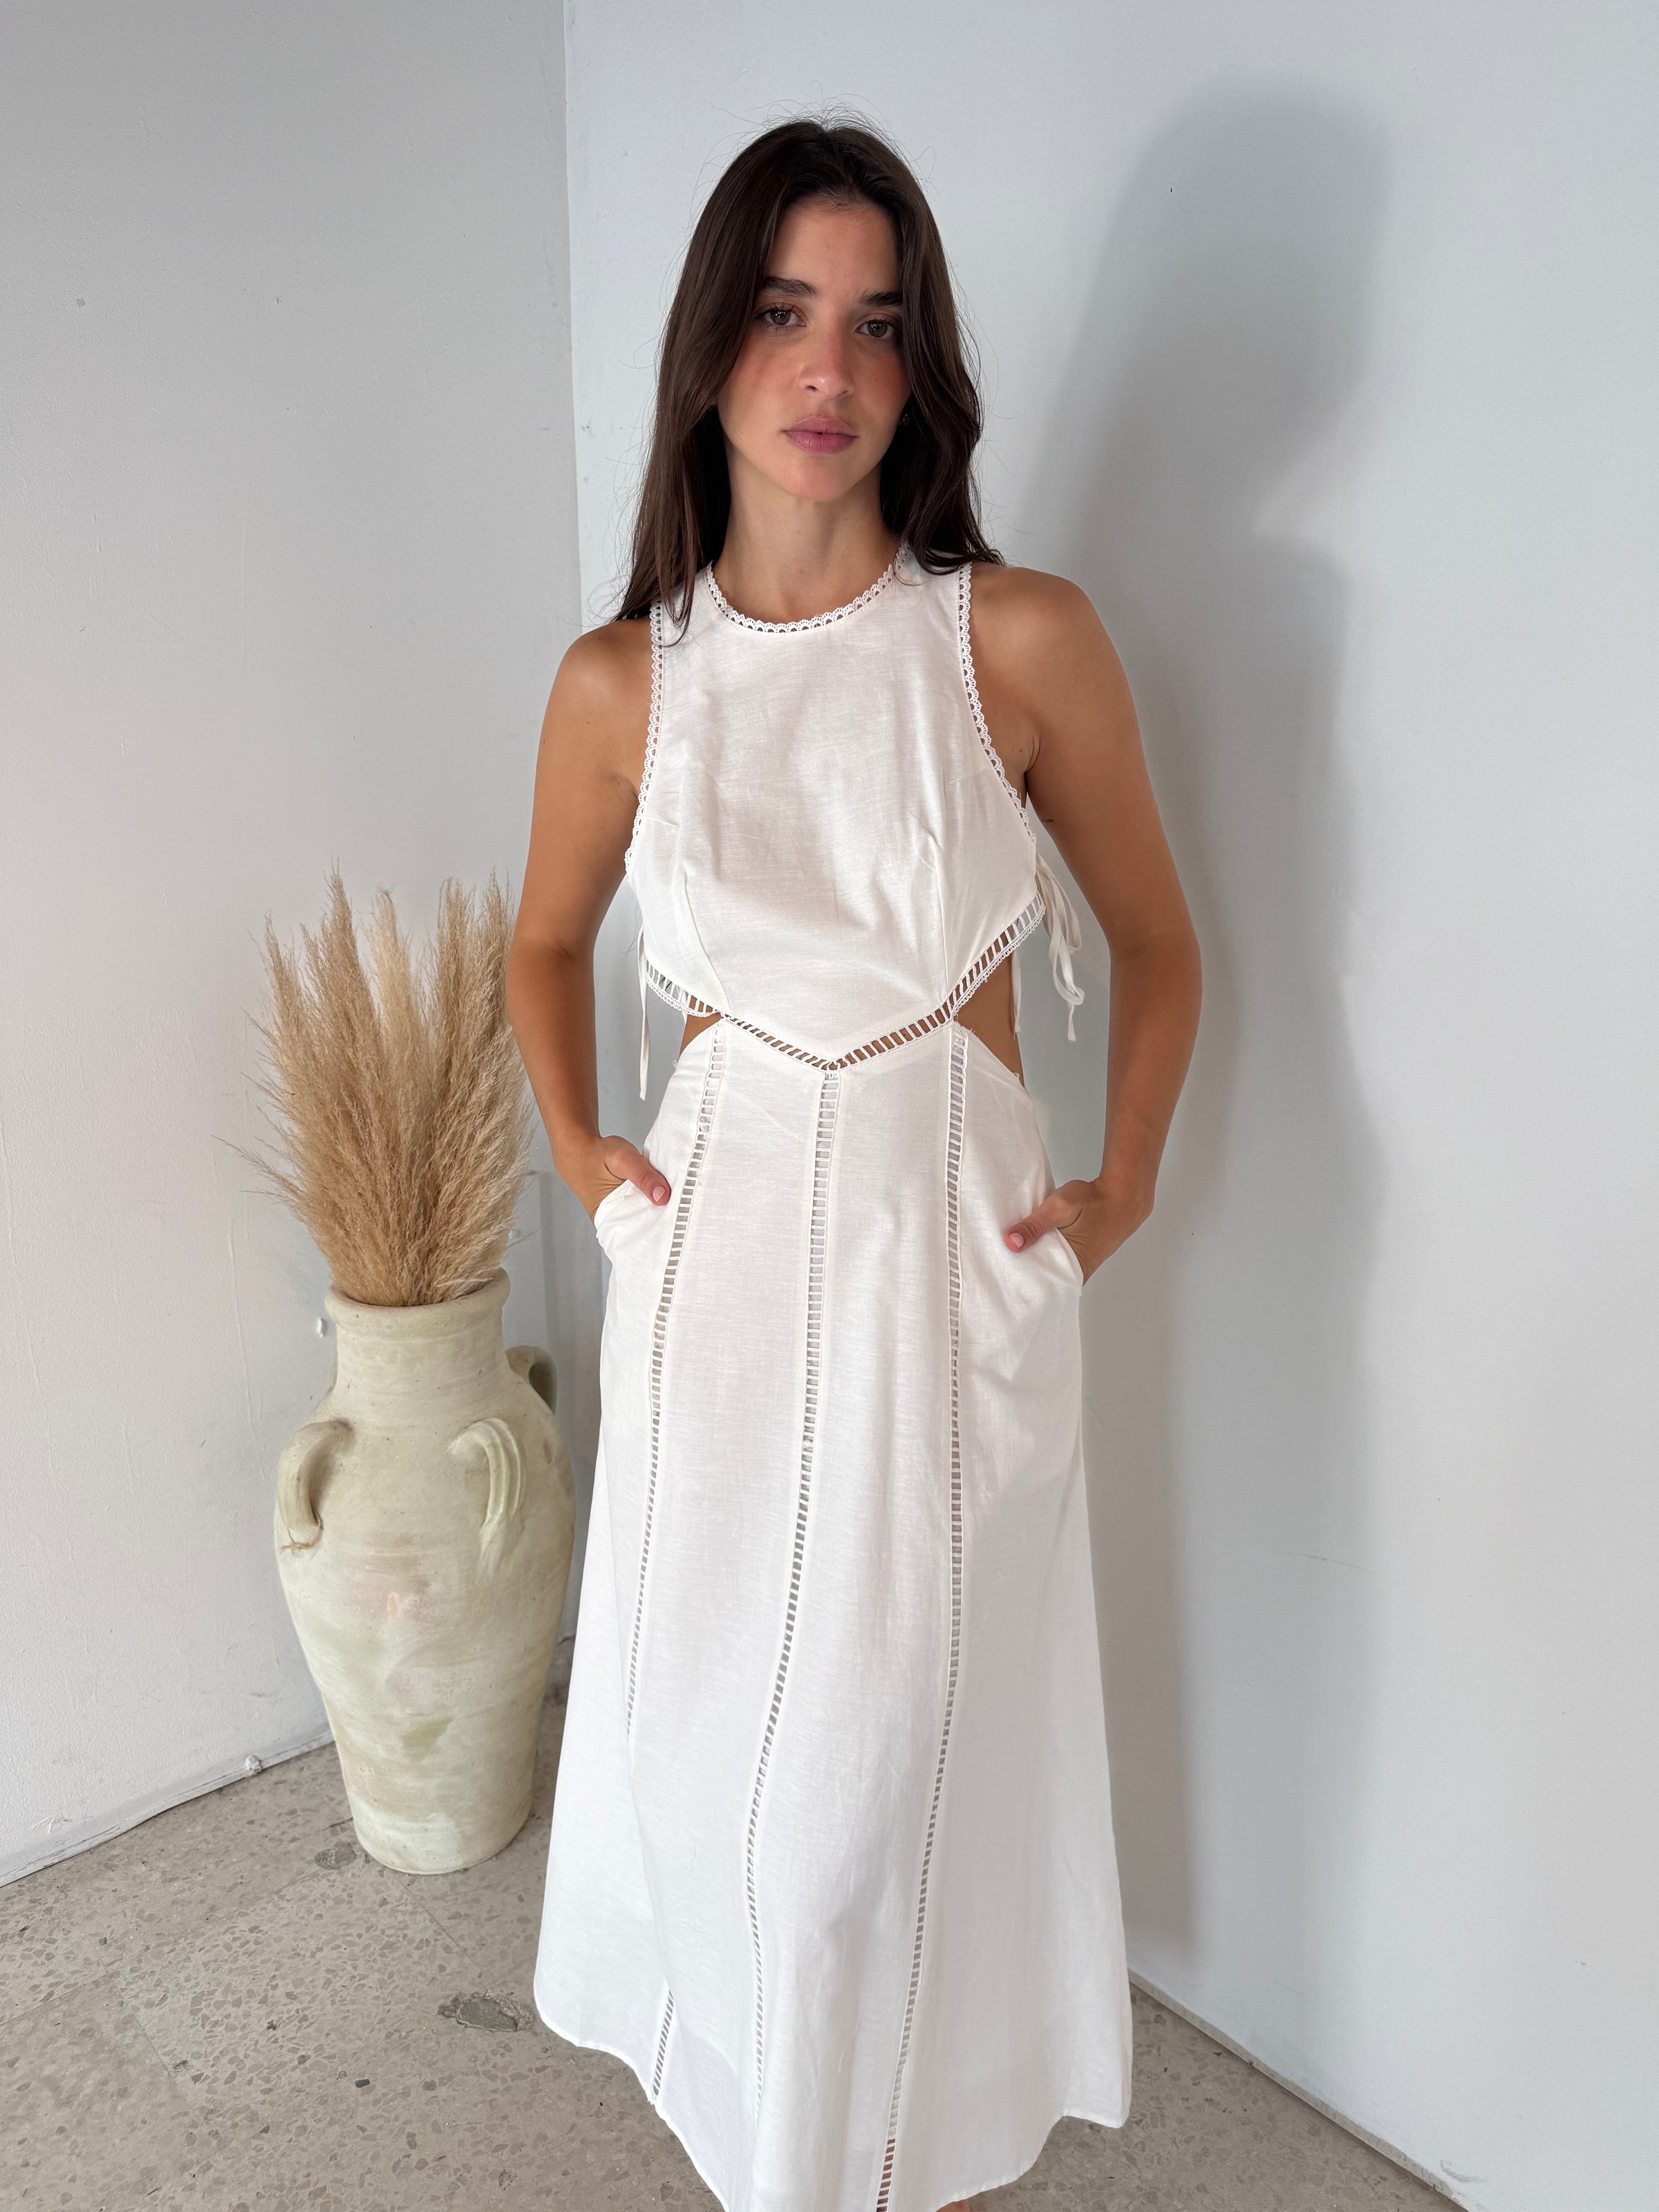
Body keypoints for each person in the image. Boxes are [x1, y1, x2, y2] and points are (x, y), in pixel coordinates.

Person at [507, 115, 1201, 2212]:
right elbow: (542, 941)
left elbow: (1159, 940)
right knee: (716, 1784)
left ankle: (880, 2161)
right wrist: (590, 1163)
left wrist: (1121, 1186)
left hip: (944, 1269)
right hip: (713, 1270)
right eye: (786, 311)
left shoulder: (1016, 642)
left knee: (874, 1810)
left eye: (879, 325)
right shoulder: (627, 684)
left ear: (921, 368)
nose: (831, 368)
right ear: (709, 346)